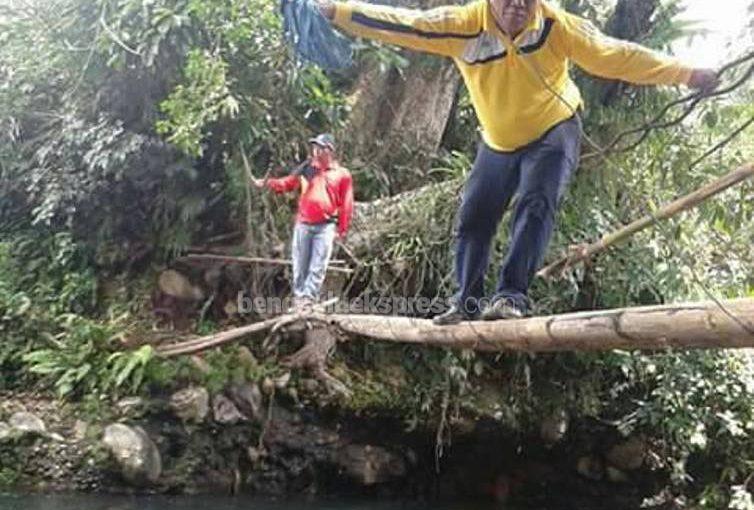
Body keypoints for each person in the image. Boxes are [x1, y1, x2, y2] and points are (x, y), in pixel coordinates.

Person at [316, 0, 719, 324]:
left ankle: (511, 296)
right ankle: (466, 302)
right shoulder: (461, 24)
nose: (517, 6)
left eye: (527, 0)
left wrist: (687, 74)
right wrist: (337, 11)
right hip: (498, 142)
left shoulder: (557, 27)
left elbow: (617, 56)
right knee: (474, 216)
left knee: (536, 202)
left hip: (554, 127)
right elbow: (404, 23)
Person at [252, 133, 354, 311]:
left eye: (320, 147)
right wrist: (268, 183)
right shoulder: (308, 167)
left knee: (318, 265)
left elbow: (346, 203)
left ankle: (308, 298)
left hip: (326, 226)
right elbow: (289, 182)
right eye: (314, 147)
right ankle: (300, 299)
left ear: (329, 150)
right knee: (300, 264)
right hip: (304, 224)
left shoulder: (342, 174)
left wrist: (342, 229)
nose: (315, 151)